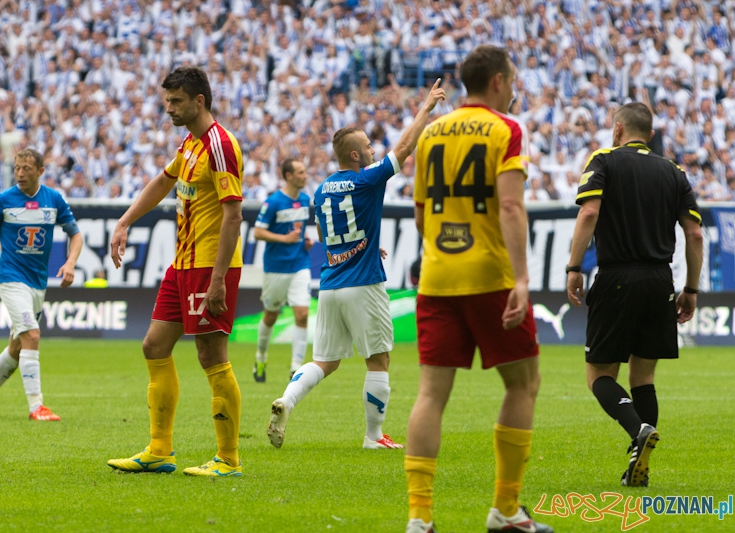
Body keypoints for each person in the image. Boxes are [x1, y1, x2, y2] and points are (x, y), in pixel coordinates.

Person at [405, 46, 553, 533]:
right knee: (523, 383)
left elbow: (422, 213)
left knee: (430, 395)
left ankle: (420, 518)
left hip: (438, 276)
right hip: (490, 276)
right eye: (511, 80)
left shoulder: (430, 134)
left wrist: (439, 258)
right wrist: (523, 278)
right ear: (496, 82)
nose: (513, 89)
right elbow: (510, 208)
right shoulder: (505, 129)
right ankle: (505, 510)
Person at [266, 79, 447, 451]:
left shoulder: (320, 191)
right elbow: (405, 147)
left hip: (331, 284)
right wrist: (426, 108)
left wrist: (364, 245)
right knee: (378, 360)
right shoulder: (367, 180)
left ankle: (287, 399)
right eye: (367, 147)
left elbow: (329, 235)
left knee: (324, 361)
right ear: (354, 156)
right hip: (364, 283)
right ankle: (373, 436)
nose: (372, 150)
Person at [107, 66, 245, 477]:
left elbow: (233, 215)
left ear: (198, 101)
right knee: (153, 346)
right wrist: (125, 221)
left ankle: (229, 459)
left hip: (209, 266)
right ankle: (160, 450)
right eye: (167, 101)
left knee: (210, 354)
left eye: (176, 102)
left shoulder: (220, 145)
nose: (168, 109)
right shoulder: (190, 144)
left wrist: (219, 278)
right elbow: (163, 182)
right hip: (181, 265)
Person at [566, 102, 703, 488]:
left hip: (616, 277)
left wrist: (574, 267)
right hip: (661, 281)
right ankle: (639, 466)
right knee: (643, 375)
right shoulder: (673, 171)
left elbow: (589, 213)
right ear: (652, 134)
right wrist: (691, 288)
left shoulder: (604, 160)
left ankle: (637, 430)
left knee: (599, 374)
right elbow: (694, 234)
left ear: (618, 129)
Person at [0, 148, 83, 421]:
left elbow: (76, 235)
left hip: (37, 283)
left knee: (17, 346)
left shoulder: (54, 200)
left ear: (41, 171)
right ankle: (36, 407)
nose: (20, 173)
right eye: (17, 168)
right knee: (32, 336)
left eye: (26, 168)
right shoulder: (4, 200)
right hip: (11, 279)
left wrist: (70, 263)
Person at [252, 158, 314, 383]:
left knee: (302, 314)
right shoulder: (273, 202)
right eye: (300, 172)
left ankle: (295, 369)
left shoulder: (306, 200)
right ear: (288, 176)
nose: (305, 175)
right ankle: (260, 356)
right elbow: (257, 232)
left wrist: (304, 242)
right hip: (276, 268)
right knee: (270, 315)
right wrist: (284, 239)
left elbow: (298, 230)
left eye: (305, 171)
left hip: (300, 264)